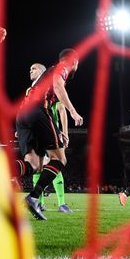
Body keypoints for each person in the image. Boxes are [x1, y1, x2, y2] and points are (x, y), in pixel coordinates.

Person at [15, 49, 83, 220]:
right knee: (60, 159)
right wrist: (73, 112)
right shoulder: (63, 67)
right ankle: (33, 198)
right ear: (74, 61)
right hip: (37, 111)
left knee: (34, 165)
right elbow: (59, 86)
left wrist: (58, 130)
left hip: (22, 115)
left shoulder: (40, 80)